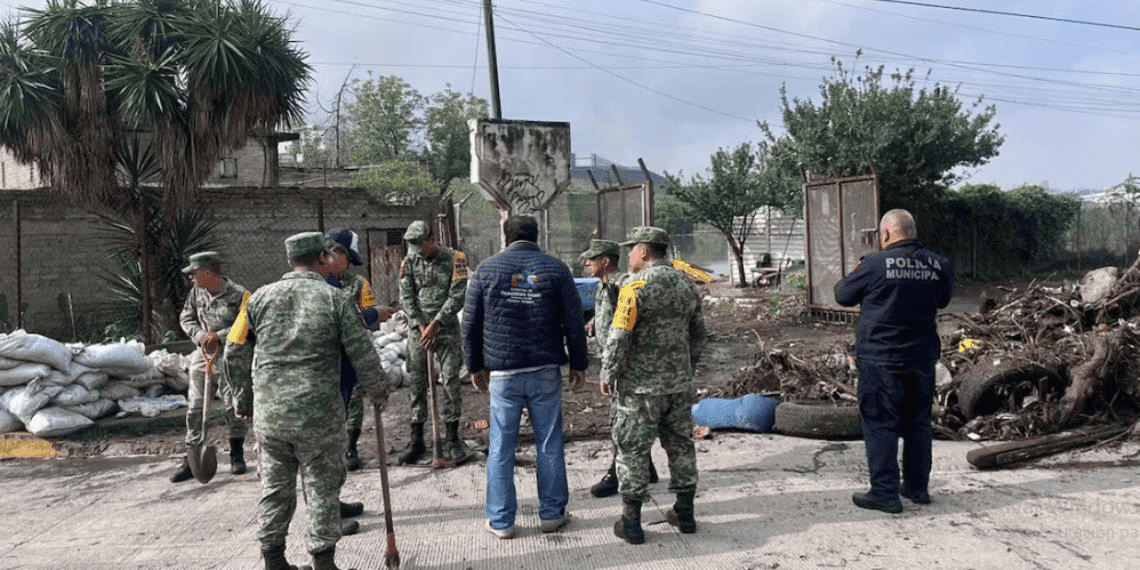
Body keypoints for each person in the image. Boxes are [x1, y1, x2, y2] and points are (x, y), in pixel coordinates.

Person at [225, 232, 392, 570]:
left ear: (289, 261)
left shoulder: (258, 299)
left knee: (274, 489)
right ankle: (323, 562)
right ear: (321, 259)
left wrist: (242, 399)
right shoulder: (335, 299)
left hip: (272, 416)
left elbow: (233, 349)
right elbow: (361, 350)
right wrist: (378, 390)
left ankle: (274, 561)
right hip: (319, 415)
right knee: (321, 488)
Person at [462, 215, 588, 539]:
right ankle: (551, 515)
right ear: (536, 236)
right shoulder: (556, 269)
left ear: (506, 237)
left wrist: (474, 366)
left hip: (503, 374)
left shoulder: (486, 270)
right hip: (545, 371)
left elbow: (470, 325)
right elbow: (574, 321)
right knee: (548, 442)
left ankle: (502, 522)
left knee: (502, 446)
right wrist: (579, 363)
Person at [834, 209, 953, 514]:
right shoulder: (939, 263)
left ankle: (884, 492)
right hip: (921, 358)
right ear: (912, 231)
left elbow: (842, 295)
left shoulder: (874, 264)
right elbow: (943, 300)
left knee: (880, 423)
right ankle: (916, 488)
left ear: (886, 234)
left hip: (881, 359)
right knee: (917, 423)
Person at [603, 226, 707, 545]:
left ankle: (631, 522)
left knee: (633, 450)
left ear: (645, 251)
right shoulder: (687, 285)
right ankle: (685, 513)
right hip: (678, 385)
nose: (630, 254)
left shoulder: (635, 286)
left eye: (632, 248)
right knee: (680, 446)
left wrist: (609, 372)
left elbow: (620, 335)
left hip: (640, 389)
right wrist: (684, 367)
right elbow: (699, 335)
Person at [578, 239, 658, 498]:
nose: (587, 263)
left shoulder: (622, 284)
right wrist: (593, 323)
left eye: (592, 259)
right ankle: (646, 466)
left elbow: (628, 321)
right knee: (629, 419)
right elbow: (609, 314)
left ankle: (617, 472)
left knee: (620, 422)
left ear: (605, 261)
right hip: (612, 358)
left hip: (624, 364)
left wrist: (611, 369)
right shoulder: (604, 287)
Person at [171, 251, 249, 483]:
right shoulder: (196, 293)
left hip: (230, 357)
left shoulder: (239, 294)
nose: (190, 279)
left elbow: (246, 324)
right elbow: (186, 319)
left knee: (232, 407)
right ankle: (192, 458)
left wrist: (219, 336)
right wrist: (200, 336)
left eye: (193, 274)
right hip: (203, 355)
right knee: (195, 407)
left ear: (207, 272)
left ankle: (237, 454)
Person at [398, 220, 470, 465]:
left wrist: (437, 323)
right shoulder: (409, 262)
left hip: (446, 329)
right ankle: (416, 440)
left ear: (432, 239)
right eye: (414, 247)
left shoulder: (455, 259)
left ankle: (452, 438)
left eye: (421, 246)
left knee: (450, 381)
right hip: (419, 332)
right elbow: (406, 296)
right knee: (417, 383)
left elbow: (458, 294)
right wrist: (420, 326)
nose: (418, 251)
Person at [324, 228, 394, 471]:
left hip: (349, 354)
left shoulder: (358, 283)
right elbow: (357, 317)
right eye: (348, 260)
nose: (349, 267)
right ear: (333, 254)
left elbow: (367, 318)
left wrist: (374, 315)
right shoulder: (318, 284)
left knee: (353, 399)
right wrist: (373, 314)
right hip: (325, 357)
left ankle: (350, 447)